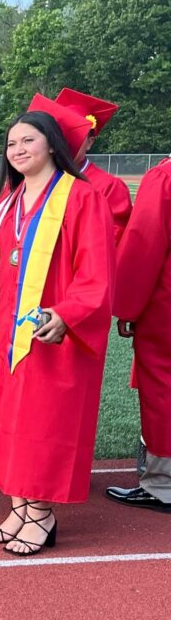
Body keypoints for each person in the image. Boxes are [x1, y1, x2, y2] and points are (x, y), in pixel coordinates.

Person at [0, 101, 114, 555]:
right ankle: (20, 505)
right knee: (6, 420)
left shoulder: (80, 197)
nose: (18, 147)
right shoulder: (7, 202)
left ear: (52, 144)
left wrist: (66, 314)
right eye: (11, 142)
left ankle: (42, 514)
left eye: (28, 139)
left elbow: (97, 273)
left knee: (40, 423)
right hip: (0, 334)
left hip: (49, 334)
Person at [105, 157, 171, 514]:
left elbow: (145, 242)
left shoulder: (164, 177)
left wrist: (128, 306)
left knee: (163, 385)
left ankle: (163, 484)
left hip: (167, 303)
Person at [53, 88, 132, 245]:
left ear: (90, 142)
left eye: (78, 134)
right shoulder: (41, 178)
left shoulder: (109, 187)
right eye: (61, 133)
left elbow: (111, 240)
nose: (68, 141)